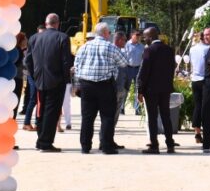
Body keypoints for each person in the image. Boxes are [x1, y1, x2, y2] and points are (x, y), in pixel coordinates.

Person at [73, 22, 127, 154]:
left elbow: (76, 66)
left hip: (87, 85)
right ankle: (107, 146)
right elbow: (124, 63)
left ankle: (85, 146)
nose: (110, 34)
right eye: (109, 32)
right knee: (107, 117)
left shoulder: (84, 47)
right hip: (105, 85)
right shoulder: (111, 47)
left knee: (87, 118)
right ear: (105, 33)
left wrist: (77, 85)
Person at [26, 13, 73, 152]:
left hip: (39, 79)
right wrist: (66, 80)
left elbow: (28, 60)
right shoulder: (62, 37)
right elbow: (66, 61)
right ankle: (45, 142)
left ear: (46, 23)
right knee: (51, 112)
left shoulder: (34, 38)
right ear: (57, 23)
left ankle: (40, 140)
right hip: (57, 80)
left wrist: (34, 76)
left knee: (40, 110)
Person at [138, 27, 177, 154]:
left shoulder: (149, 50)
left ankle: (154, 145)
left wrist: (140, 90)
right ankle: (170, 144)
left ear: (150, 37)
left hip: (151, 89)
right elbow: (172, 69)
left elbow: (144, 72)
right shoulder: (169, 50)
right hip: (165, 88)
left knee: (153, 117)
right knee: (166, 116)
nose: (144, 40)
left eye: (145, 37)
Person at [188, 31, 208, 144]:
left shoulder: (192, 49)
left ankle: (197, 132)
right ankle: (206, 133)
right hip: (204, 79)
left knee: (197, 106)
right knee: (206, 107)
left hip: (195, 79)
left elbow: (191, 63)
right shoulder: (207, 49)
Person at [120, 30, 144, 115]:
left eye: (139, 35)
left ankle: (137, 109)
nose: (138, 37)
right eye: (136, 35)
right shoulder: (126, 45)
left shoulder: (142, 46)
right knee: (126, 89)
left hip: (138, 69)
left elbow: (143, 58)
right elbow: (122, 57)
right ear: (132, 35)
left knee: (138, 89)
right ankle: (122, 108)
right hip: (128, 68)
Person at [110, 31, 128, 125]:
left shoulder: (119, 51)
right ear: (119, 40)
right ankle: (107, 135)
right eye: (124, 40)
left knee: (114, 114)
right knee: (112, 114)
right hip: (114, 87)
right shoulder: (113, 51)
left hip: (120, 87)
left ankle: (109, 134)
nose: (126, 41)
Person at [10, 33, 26, 120]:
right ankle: (13, 117)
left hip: (14, 77)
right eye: (25, 39)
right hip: (17, 77)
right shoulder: (18, 51)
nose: (26, 41)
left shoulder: (16, 50)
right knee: (16, 98)